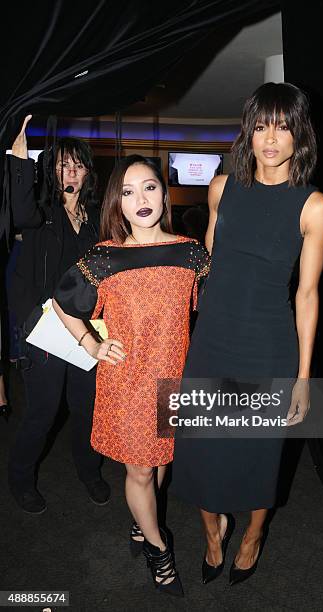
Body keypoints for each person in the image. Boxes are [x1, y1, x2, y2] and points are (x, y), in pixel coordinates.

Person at [171, 82, 323, 585]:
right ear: (248, 131)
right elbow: (212, 261)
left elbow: (307, 295)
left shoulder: (315, 207)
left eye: (283, 126)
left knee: (259, 451)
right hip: (213, 340)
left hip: (268, 345)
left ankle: (252, 536)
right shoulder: (221, 187)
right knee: (200, 444)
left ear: (299, 135)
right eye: (261, 125)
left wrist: (304, 376)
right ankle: (213, 534)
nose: (270, 138)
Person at [52, 154, 210, 597]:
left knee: (160, 463)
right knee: (140, 471)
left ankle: (143, 525)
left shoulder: (191, 252)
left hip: (176, 378)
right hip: (127, 380)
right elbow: (64, 302)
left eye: (149, 187)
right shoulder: (106, 257)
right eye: (127, 191)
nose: (140, 199)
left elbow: (215, 309)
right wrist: (92, 344)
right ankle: (159, 549)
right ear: (116, 204)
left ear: (164, 192)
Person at [7, 115, 110, 514]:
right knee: (42, 412)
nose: (70, 170)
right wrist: (20, 162)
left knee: (86, 409)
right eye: (62, 163)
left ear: (87, 171)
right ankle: (20, 479)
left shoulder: (96, 220)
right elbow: (19, 210)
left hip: (87, 328)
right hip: (45, 328)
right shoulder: (40, 213)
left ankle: (89, 471)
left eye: (77, 163)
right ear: (50, 169)